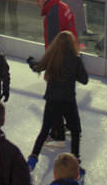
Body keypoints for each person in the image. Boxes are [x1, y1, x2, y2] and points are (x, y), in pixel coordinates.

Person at [25, 30, 89, 174]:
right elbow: (84, 80)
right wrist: (77, 69)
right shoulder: (75, 59)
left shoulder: (52, 57)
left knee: (44, 130)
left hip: (52, 99)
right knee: (75, 131)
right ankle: (75, 160)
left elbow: (37, 67)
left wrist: (30, 61)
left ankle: (33, 158)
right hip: (68, 100)